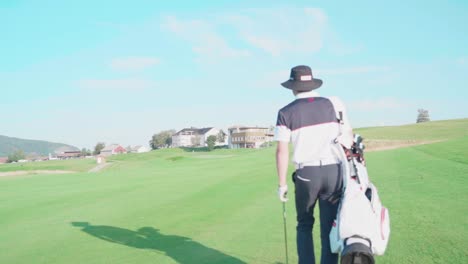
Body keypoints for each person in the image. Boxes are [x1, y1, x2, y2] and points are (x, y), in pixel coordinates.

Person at [275, 65, 354, 264]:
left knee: (304, 225)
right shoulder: (334, 103)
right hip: (334, 171)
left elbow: (282, 151)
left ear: (293, 87)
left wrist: (282, 184)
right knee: (330, 228)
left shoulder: (285, 112)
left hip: (306, 174)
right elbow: (348, 139)